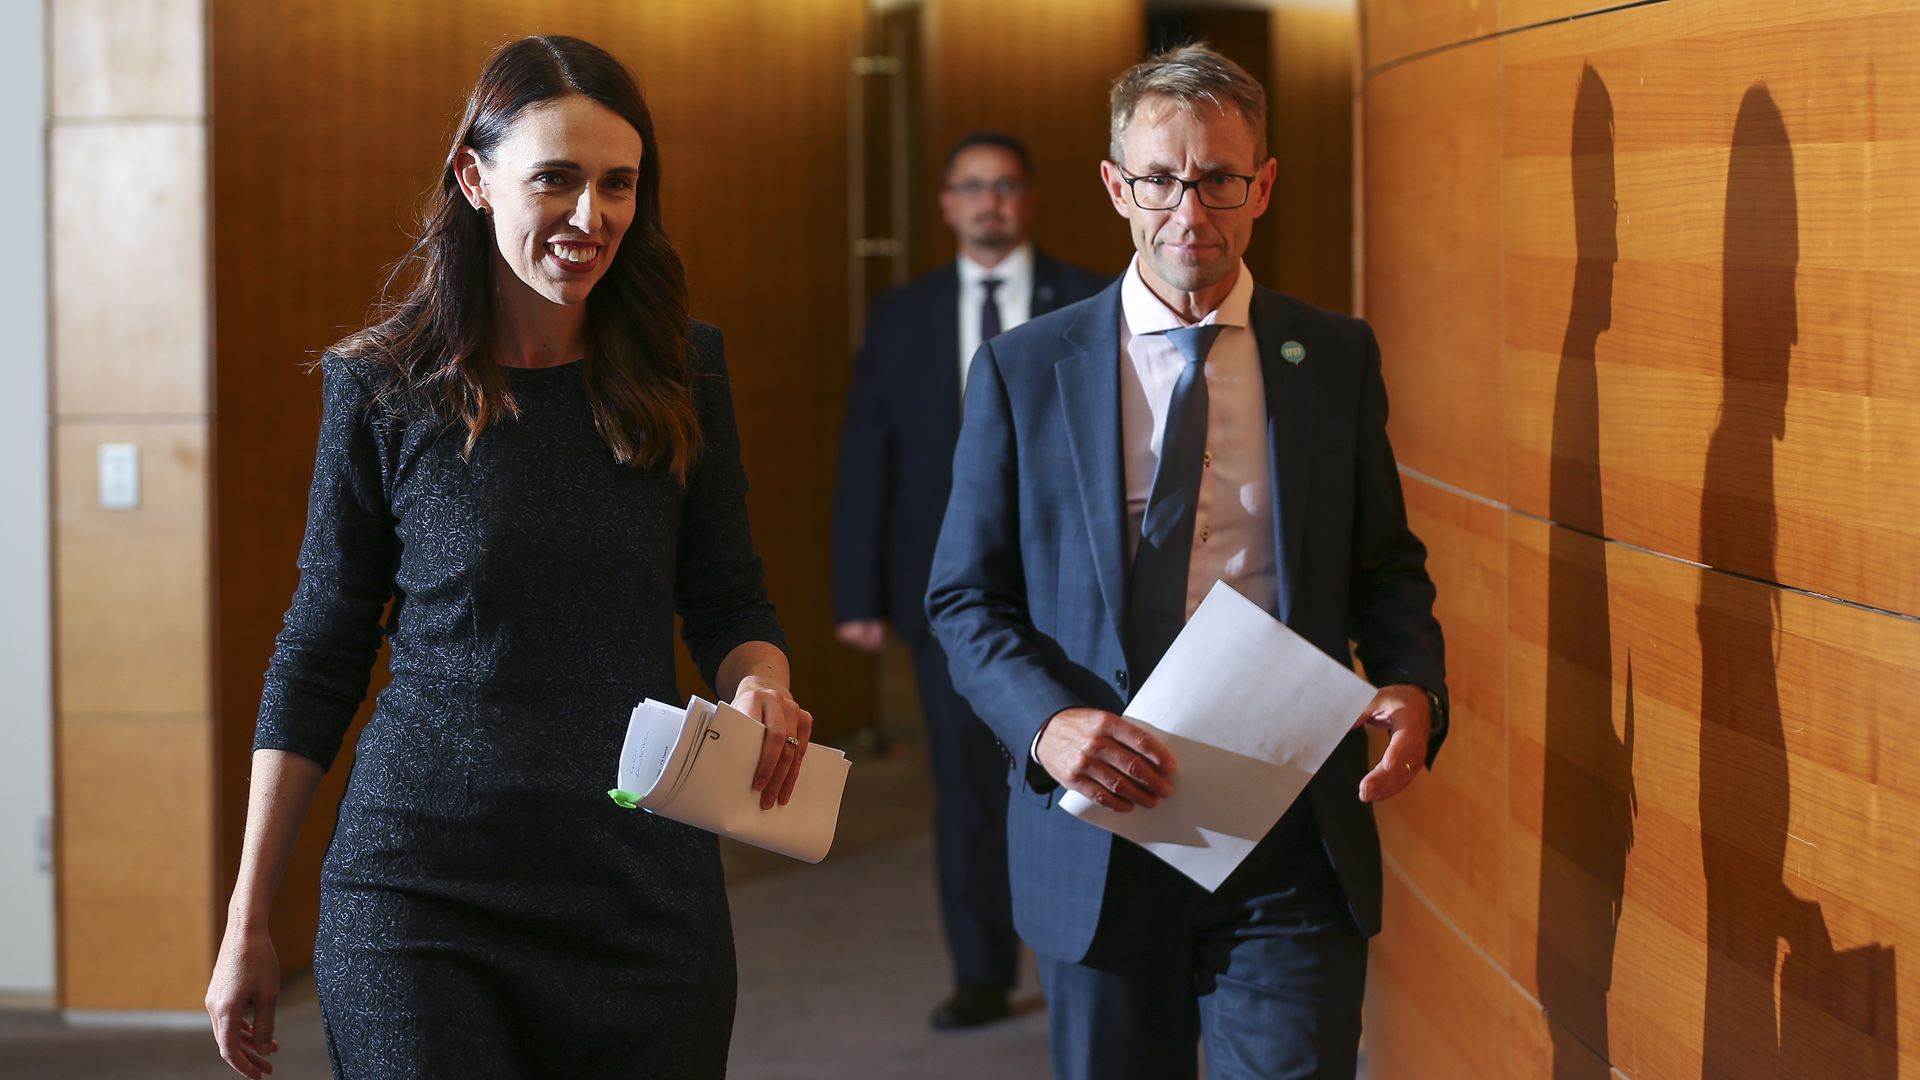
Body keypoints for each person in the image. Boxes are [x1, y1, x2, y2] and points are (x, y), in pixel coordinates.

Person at [204, 36, 811, 1079]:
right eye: (556, 180)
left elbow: (728, 599)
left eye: (618, 184)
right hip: (420, 887)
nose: (592, 216)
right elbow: (319, 651)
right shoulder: (383, 386)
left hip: (637, 880)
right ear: (474, 179)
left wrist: (763, 681)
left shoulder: (682, 370)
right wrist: (247, 916)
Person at [925, 44, 1448, 1078]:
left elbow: (1386, 566)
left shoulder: (1332, 357)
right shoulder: (1026, 369)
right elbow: (966, 598)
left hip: (1290, 826)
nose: (1190, 211)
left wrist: (1412, 681)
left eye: (1219, 179)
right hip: (1102, 829)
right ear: (1117, 186)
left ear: (1264, 185)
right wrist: (1048, 724)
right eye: (1161, 179)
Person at [832, 131, 1107, 1029]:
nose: (990, 201)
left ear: (1029, 198)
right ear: (948, 204)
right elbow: (869, 456)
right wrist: (859, 594)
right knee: (967, 792)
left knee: (1078, 774)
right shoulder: (902, 314)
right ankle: (982, 975)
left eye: (1006, 185)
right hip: (947, 598)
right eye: (972, 187)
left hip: (1067, 593)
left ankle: (1085, 962)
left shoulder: (1092, 299)